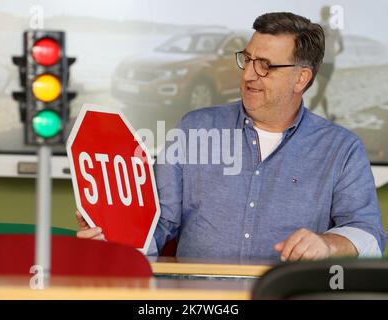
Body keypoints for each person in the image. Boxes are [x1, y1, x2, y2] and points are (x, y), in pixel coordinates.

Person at [77, 12, 386, 262]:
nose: (249, 74)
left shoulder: (342, 149)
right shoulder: (193, 129)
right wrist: (117, 241)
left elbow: (369, 233)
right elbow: (158, 224)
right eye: (247, 59)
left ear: (301, 78)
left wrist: (328, 245)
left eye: (265, 66)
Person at [309, 6, 344, 121]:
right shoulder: (335, 28)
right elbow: (341, 48)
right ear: (330, 15)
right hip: (328, 63)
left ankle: (327, 115)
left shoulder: (315, 27)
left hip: (318, 62)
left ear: (321, 13)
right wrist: (333, 54)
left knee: (322, 90)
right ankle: (306, 117)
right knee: (321, 90)